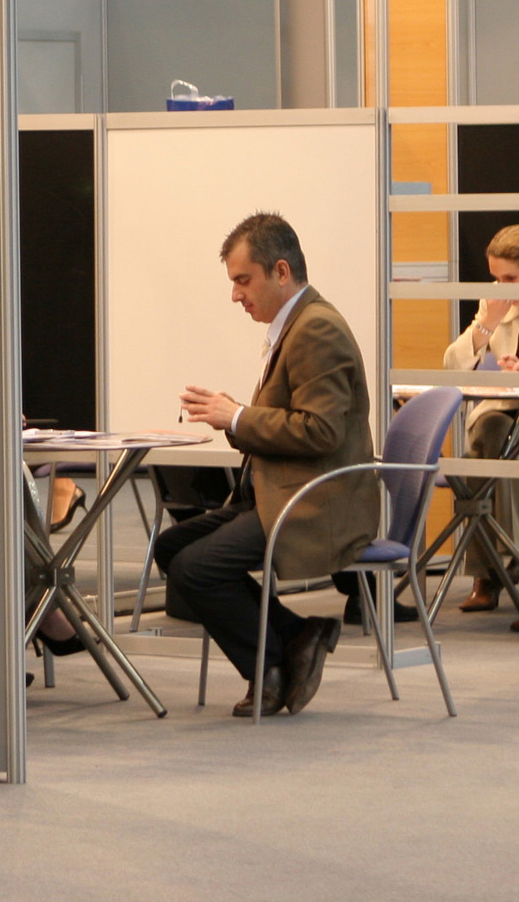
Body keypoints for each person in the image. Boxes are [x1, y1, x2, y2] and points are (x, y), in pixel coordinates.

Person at [151, 214, 375, 717]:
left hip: (316, 502)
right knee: (172, 549)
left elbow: (321, 431)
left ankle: (270, 665)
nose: (236, 295)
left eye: (243, 280)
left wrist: (238, 417)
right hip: (280, 491)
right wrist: (235, 417)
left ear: (281, 271)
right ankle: (295, 637)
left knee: (196, 569)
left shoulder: (316, 329)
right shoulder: (295, 325)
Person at [441, 223, 519, 613]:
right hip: (503, 408)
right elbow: (453, 365)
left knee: (508, 446)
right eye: (496, 278)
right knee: (488, 437)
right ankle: (489, 571)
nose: (501, 287)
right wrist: (486, 324)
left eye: (511, 278)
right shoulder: (494, 302)